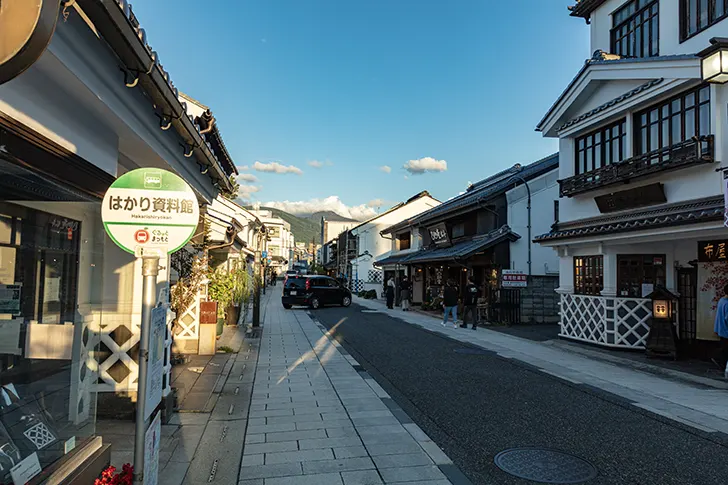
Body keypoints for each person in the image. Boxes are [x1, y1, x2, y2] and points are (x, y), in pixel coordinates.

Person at [713, 283, 728, 378]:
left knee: (724, 349)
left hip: (721, 329)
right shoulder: (727, 303)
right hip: (726, 330)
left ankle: (720, 363)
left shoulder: (722, 300)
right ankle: (722, 365)